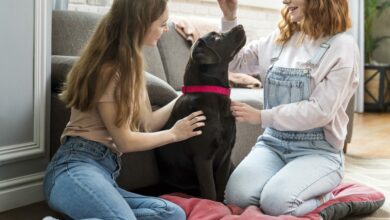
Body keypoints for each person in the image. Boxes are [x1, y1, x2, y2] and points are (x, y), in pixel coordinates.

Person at [43, 0, 206, 219]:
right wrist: (174, 134)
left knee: (172, 214)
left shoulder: (132, 67)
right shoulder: (109, 69)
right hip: (73, 169)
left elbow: (146, 124)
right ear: (141, 23)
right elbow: (125, 141)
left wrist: (182, 97)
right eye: (162, 24)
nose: (165, 30)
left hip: (104, 173)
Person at [217, 0, 359, 216]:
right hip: (273, 144)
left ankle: (327, 197)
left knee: (277, 203)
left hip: (319, 151)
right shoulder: (278, 39)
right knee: (237, 197)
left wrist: (262, 116)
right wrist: (229, 17)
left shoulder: (342, 47)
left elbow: (320, 111)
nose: (284, 1)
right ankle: (288, 184)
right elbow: (234, 63)